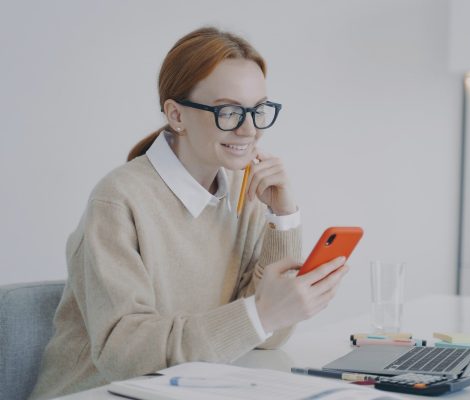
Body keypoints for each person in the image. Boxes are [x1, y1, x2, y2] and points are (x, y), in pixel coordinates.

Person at [29, 27, 348, 399]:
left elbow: (268, 338)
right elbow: (124, 354)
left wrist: (283, 218)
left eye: (258, 110)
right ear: (176, 114)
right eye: (229, 111)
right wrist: (260, 314)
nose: (250, 130)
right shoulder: (118, 201)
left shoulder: (244, 192)